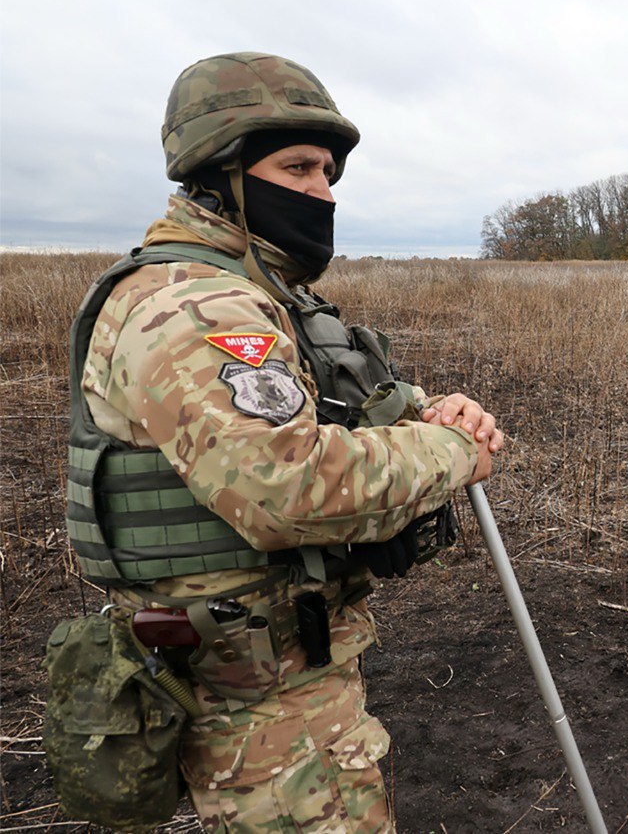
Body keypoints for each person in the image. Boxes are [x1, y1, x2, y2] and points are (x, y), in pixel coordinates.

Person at [63, 51, 502, 831]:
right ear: (220, 172)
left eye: (328, 173)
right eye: (298, 168)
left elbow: (320, 410)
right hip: (262, 714)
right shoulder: (195, 308)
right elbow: (290, 488)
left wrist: (432, 412)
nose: (322, 193)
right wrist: (457, 453)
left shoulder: (255, 293)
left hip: (288, 684)